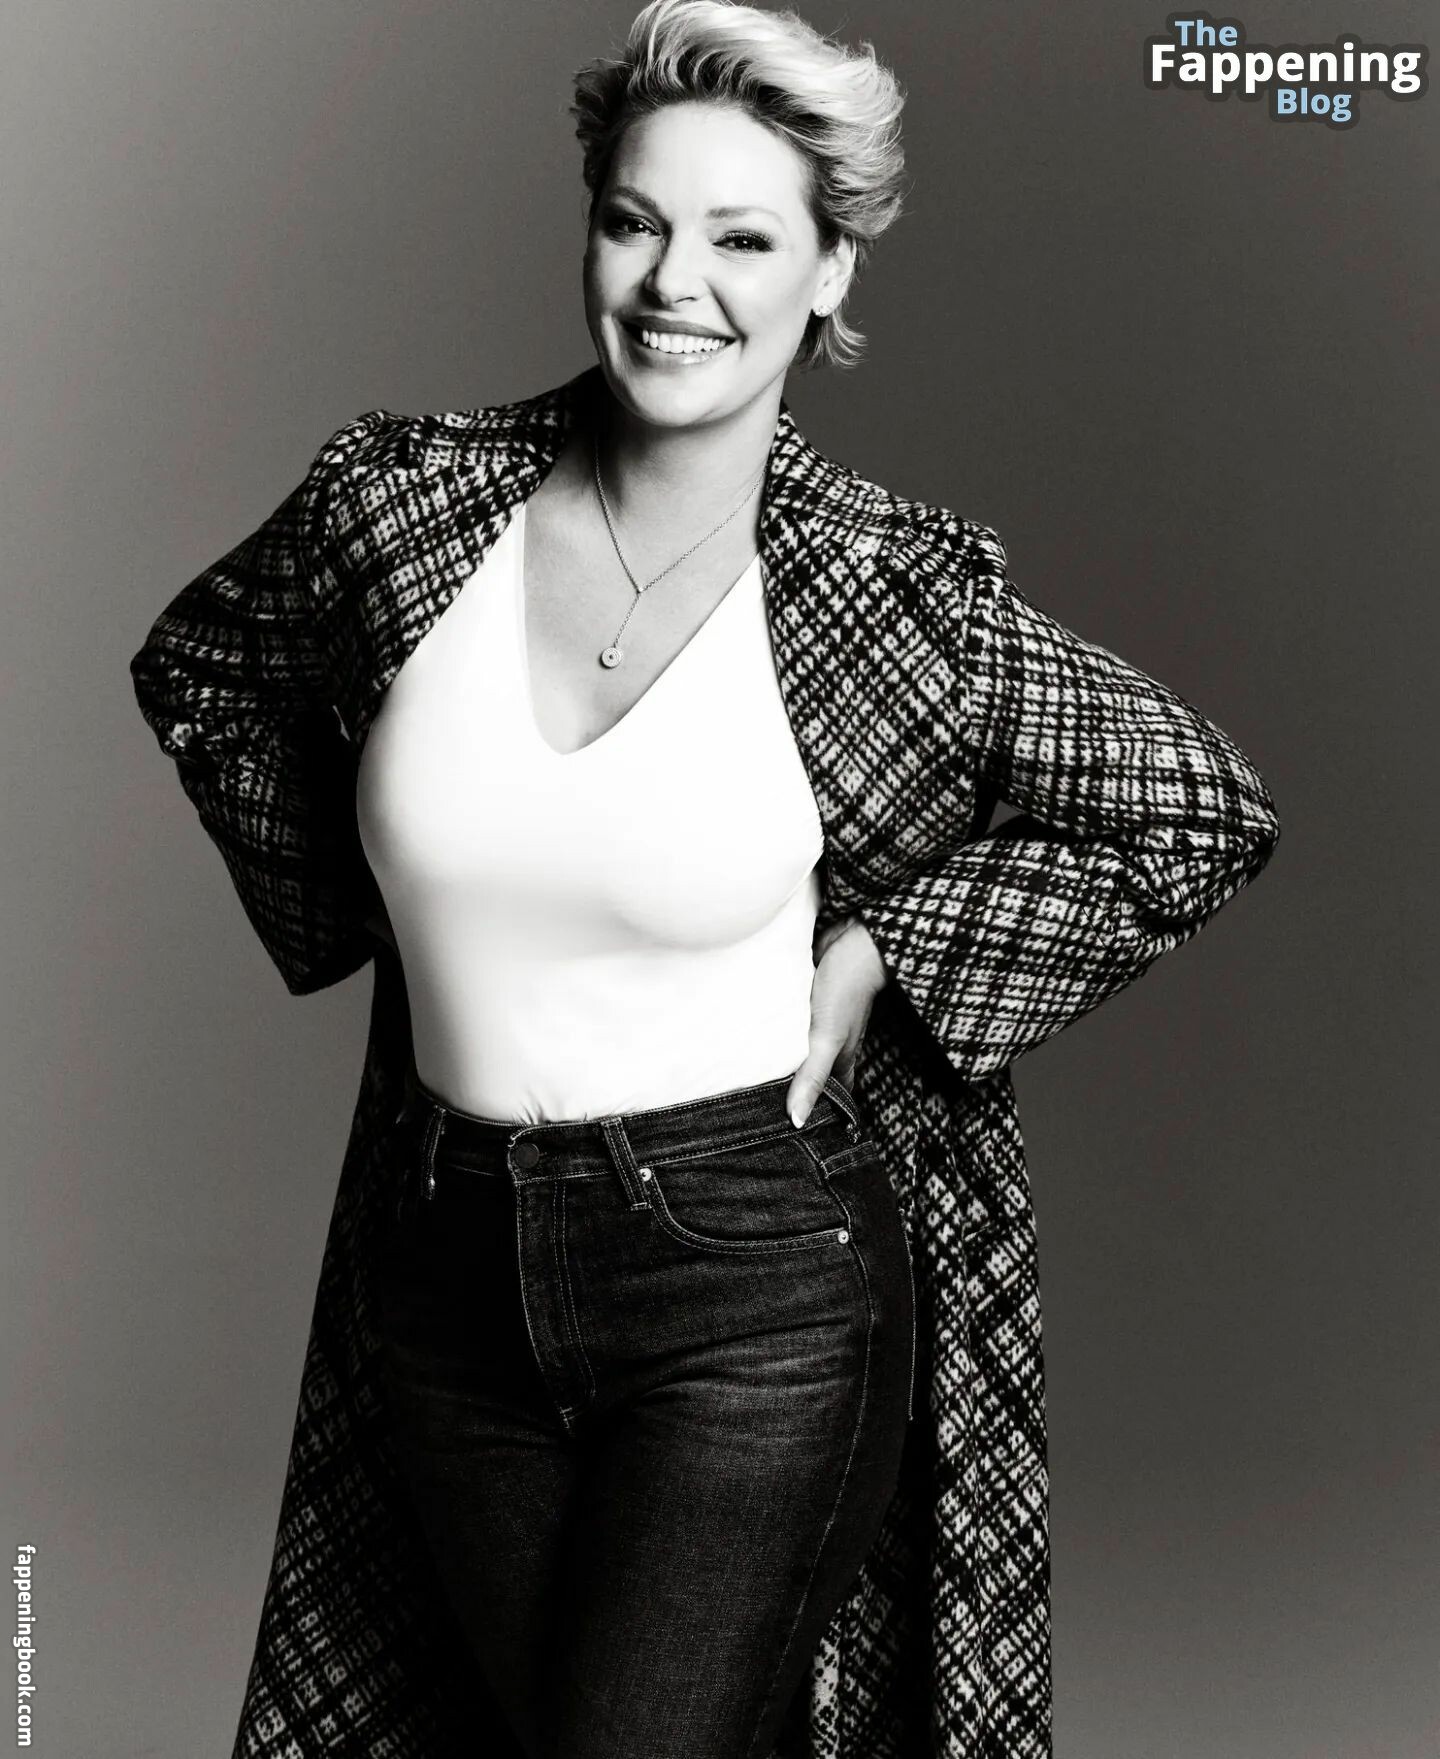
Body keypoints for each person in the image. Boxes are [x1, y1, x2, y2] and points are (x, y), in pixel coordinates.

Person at [128, 3, 1281, 1756]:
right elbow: (204, 669)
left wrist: (895, 949)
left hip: (750, 1278)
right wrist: (369, 909)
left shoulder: (890, 595)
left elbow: (1200, 807)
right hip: (443, 1270)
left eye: (744, 239)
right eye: (637, 222)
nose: (677, 284)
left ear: (830, 275)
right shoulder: (401, 506)